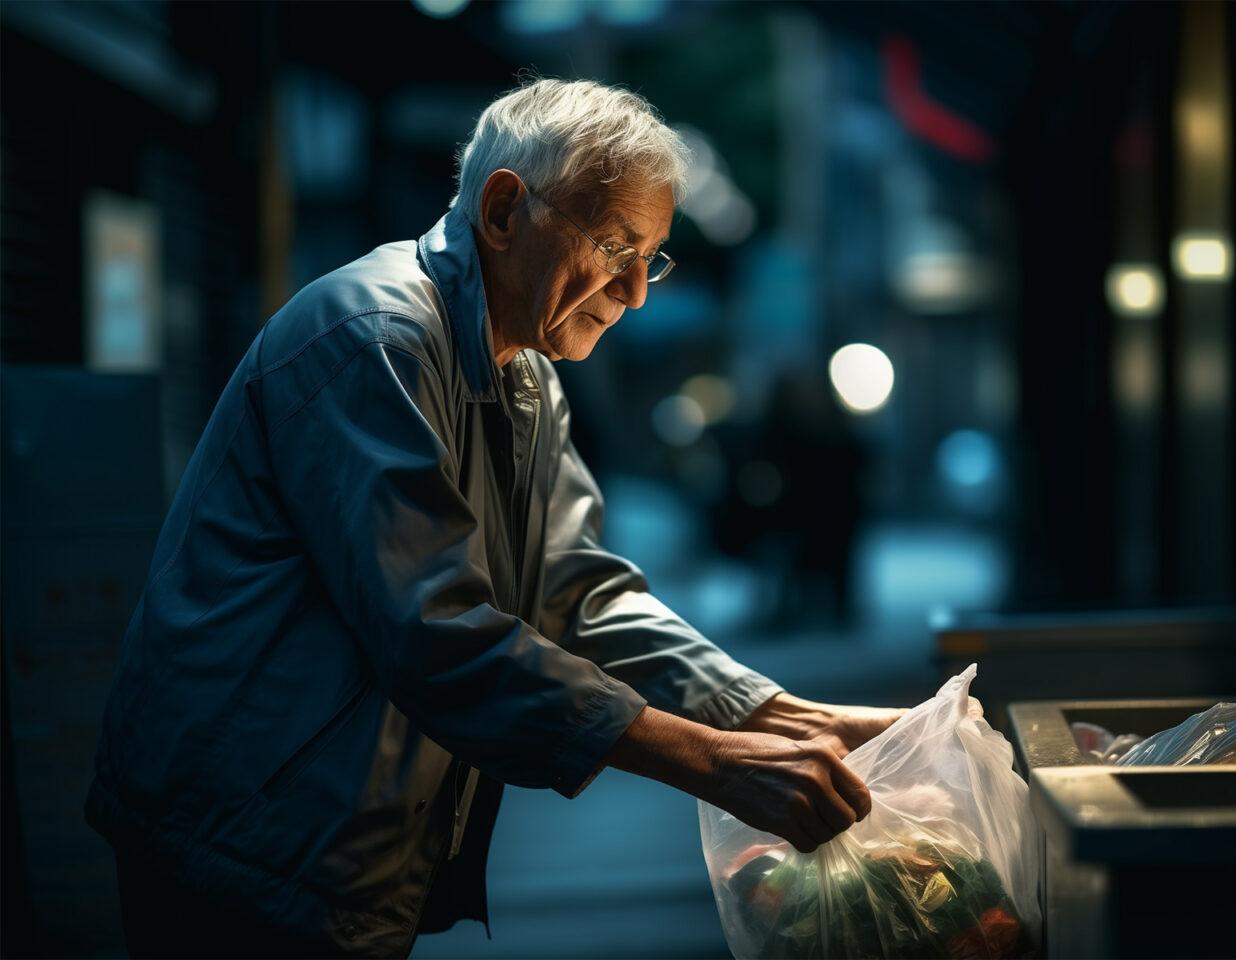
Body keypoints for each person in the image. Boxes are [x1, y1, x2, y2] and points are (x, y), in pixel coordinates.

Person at [85, 77, 903, 959]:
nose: (635, 292)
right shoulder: (376, 336)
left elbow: (574, 592)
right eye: (618, 244)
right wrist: (713, 761)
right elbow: (437, 631)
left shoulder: (526, 374)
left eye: (654, 257)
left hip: (321, 840)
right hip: (238, 832)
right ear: (506, 209)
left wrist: (775, 714)